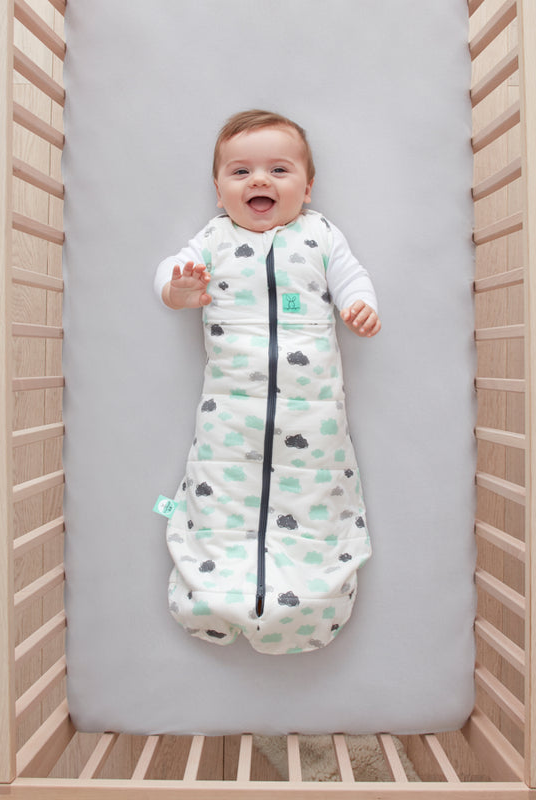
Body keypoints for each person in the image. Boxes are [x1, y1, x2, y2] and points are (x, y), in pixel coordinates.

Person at [154, 110, 379, 655]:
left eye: (279, 169)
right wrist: (178, 291)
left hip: (313, 415)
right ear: (217, 191)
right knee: (223, 497)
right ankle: (212, 592)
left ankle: (310, 601)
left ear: (307, 187)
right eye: (240, 172)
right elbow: (170, 269)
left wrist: (357, 303)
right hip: (231, 414)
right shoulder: (214, 239)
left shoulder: (320, 234)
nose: (259, 181)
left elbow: (351, 274)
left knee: (312, 497)